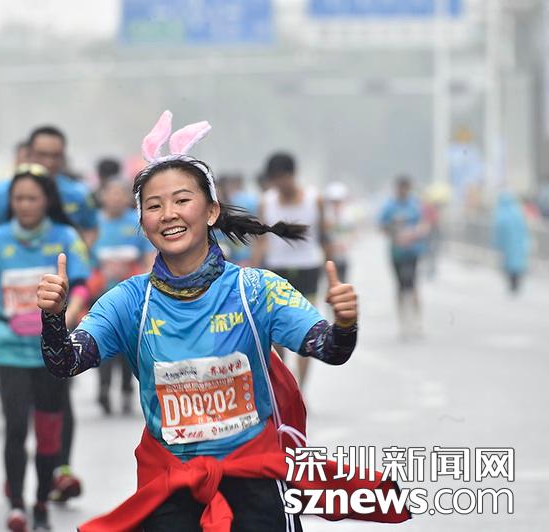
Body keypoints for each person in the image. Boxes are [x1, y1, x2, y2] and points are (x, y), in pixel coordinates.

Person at [37, 111, 373, 531]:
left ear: (211, 211)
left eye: (182, 200)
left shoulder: (257, 290)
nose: (168, 214)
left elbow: (330, 349)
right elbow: (64, 362)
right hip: (170, 486)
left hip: (255, 483)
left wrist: (345, 323)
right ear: (142, 222)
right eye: (154, 206)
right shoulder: (129, 301)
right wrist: (53, 318)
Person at [0, 163, 90, 531]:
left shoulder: (65, 237)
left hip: (51, 351)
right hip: (8, 349)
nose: (24, 205)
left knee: (48, 429)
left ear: (47, 200)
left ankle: (41, 502)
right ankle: (17, 504)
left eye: (32, 198)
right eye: (18, 198)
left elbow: (82, 286)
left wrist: (69, 315)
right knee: (16, 427)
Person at [254, 152, 327, 389]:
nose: (278, 184)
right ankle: (285, 388)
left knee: (307, 332)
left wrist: (332, 275)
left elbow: (324, 236)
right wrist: (250, 273)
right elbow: (261, 241)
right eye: (274, 179)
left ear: (292, 175)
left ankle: (301, 388)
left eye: (281, 177)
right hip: (277, 270)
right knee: (276, 334)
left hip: (308, 269)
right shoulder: (267, 202)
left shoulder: (314, 199)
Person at [90, 177, 153, 415]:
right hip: (101, 295)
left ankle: (127, 388)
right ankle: (103, 388)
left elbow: (148, 255)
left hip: (131, 298)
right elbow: (86, 257)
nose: (115, 198)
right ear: (103, 197)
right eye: (111, 193)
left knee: (128, 344)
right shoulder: (94, 224)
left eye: (120, 193)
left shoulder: (137, 222)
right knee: (101, 341)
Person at [0, 126, 99, 247]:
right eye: (42, 155)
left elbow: (91, 228)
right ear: (29, 154)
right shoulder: (3, 192)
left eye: (55, 156)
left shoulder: (78, 193)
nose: (49, 162)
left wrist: (79, 252)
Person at [379, 175, 426, 339]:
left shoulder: (415, 205)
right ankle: (402, 322)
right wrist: (395, 235)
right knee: (400, 286)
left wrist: (414, 234)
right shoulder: (390, 206)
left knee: (412, 285)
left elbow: (424, 224)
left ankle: (417, 320)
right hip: (396, 252)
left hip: (412, 251)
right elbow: (382, 225)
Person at [493, 191, 530, 294]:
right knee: (517, 264)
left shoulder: (502, 214)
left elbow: (499, 231)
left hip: (508, 245)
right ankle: (516, 284)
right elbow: (524, 229)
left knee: (509, 264)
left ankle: (512, 285)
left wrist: (497, 243)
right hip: (518, 244)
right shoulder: (517, 212)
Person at [322, 181, 355, 282]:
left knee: (343, 283)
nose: (336, 204)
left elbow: (352, 235)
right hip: (328, 258)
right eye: (333, 202)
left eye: (338, 201)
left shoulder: (347, 217)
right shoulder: (325, 218)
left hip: (343, 257)